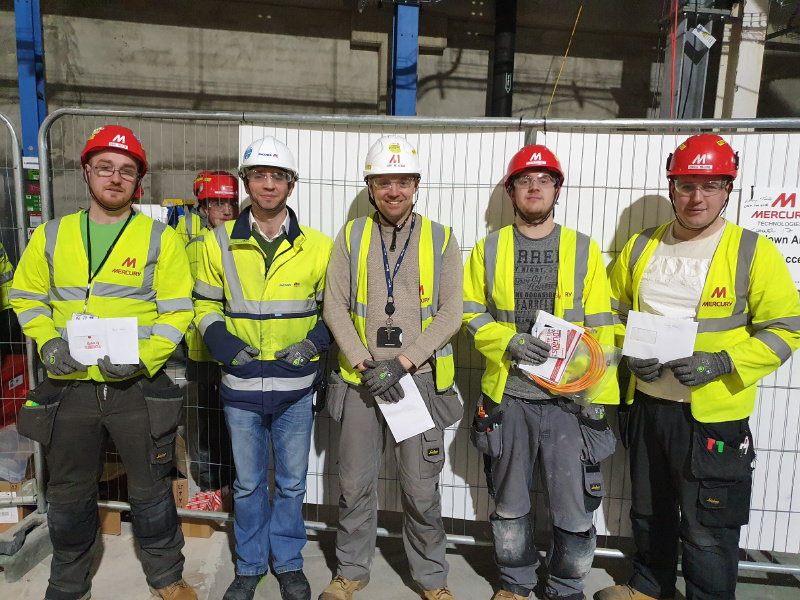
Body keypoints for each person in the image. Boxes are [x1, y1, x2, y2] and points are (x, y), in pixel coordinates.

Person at [594, 134, 800, 600]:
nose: (697, 197)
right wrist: (627, 352)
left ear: (728, 189)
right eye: (686, 185)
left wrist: (724, 361)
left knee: (708, 526)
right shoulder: (641, 246)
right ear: (672, 188)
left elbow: (787, 328)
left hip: (711, 416)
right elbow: (608, 314)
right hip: (648, 406)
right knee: (649, 511)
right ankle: (649, 586)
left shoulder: (752, 251)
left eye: (710, 185)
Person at [10, 125, 196, 600]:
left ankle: (166, 576)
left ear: (138, 181)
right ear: (87, 172)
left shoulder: (160, 239)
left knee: (152, 487)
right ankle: (68, 581)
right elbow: (26, 296)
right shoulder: (52, 235)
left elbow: (178, 311)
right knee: (69, 492)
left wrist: (143, 358)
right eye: (106, 168)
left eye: (126, 171)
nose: (115, 178)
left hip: (137, 387)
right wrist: (48, 343)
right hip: (70, 386)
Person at [462, 144, 619, 600]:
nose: (535, 187)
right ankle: (515, 585)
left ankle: (566, 587)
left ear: (557, 190)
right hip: (510, 398)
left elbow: (602, 329)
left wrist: (595, 402)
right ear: (511, 191)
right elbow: (470, 311)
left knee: (574, 509)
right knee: (510, 505)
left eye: (544, 180)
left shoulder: (584, 249)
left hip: (569, 403)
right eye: (525, 180)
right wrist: (507, 342)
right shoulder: (489, 248)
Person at [320, 135, 464, 600]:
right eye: (383, 182)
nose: (393, 191)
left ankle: (432, 579)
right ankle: (350, 572)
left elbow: (451, 313)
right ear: (370, 188)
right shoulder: (351, 236)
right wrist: (364, 362)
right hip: (362, 383)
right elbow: (334, 306)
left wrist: (401, 363)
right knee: (354, 484)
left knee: (421, 489)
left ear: (416, 185)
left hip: (416, 382)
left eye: (403, 181)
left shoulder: (441, 238)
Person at [193, 136, 332, 600]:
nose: (268, 184)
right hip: (242, 387)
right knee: (249, 484)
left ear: (291, 185)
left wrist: (313, 344)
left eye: (278, 176)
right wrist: (225, 346)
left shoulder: (319, 247)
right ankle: (250, 566)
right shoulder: (217, 243)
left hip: (296, 390)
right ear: (246, 182)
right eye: (258, 175)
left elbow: (334, 311)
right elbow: (204, 305)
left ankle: (288, 563)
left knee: (291, 484)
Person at [175, 170, 239, 491]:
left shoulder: (243, 237)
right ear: (203, 207)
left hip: (237, 345)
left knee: (236, 417)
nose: (226, 210)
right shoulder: (188, 241)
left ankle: (235, 481)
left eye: (231, 203)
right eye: (217, 203)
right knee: (207, 418)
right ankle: (211, 484)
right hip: (202, 345)